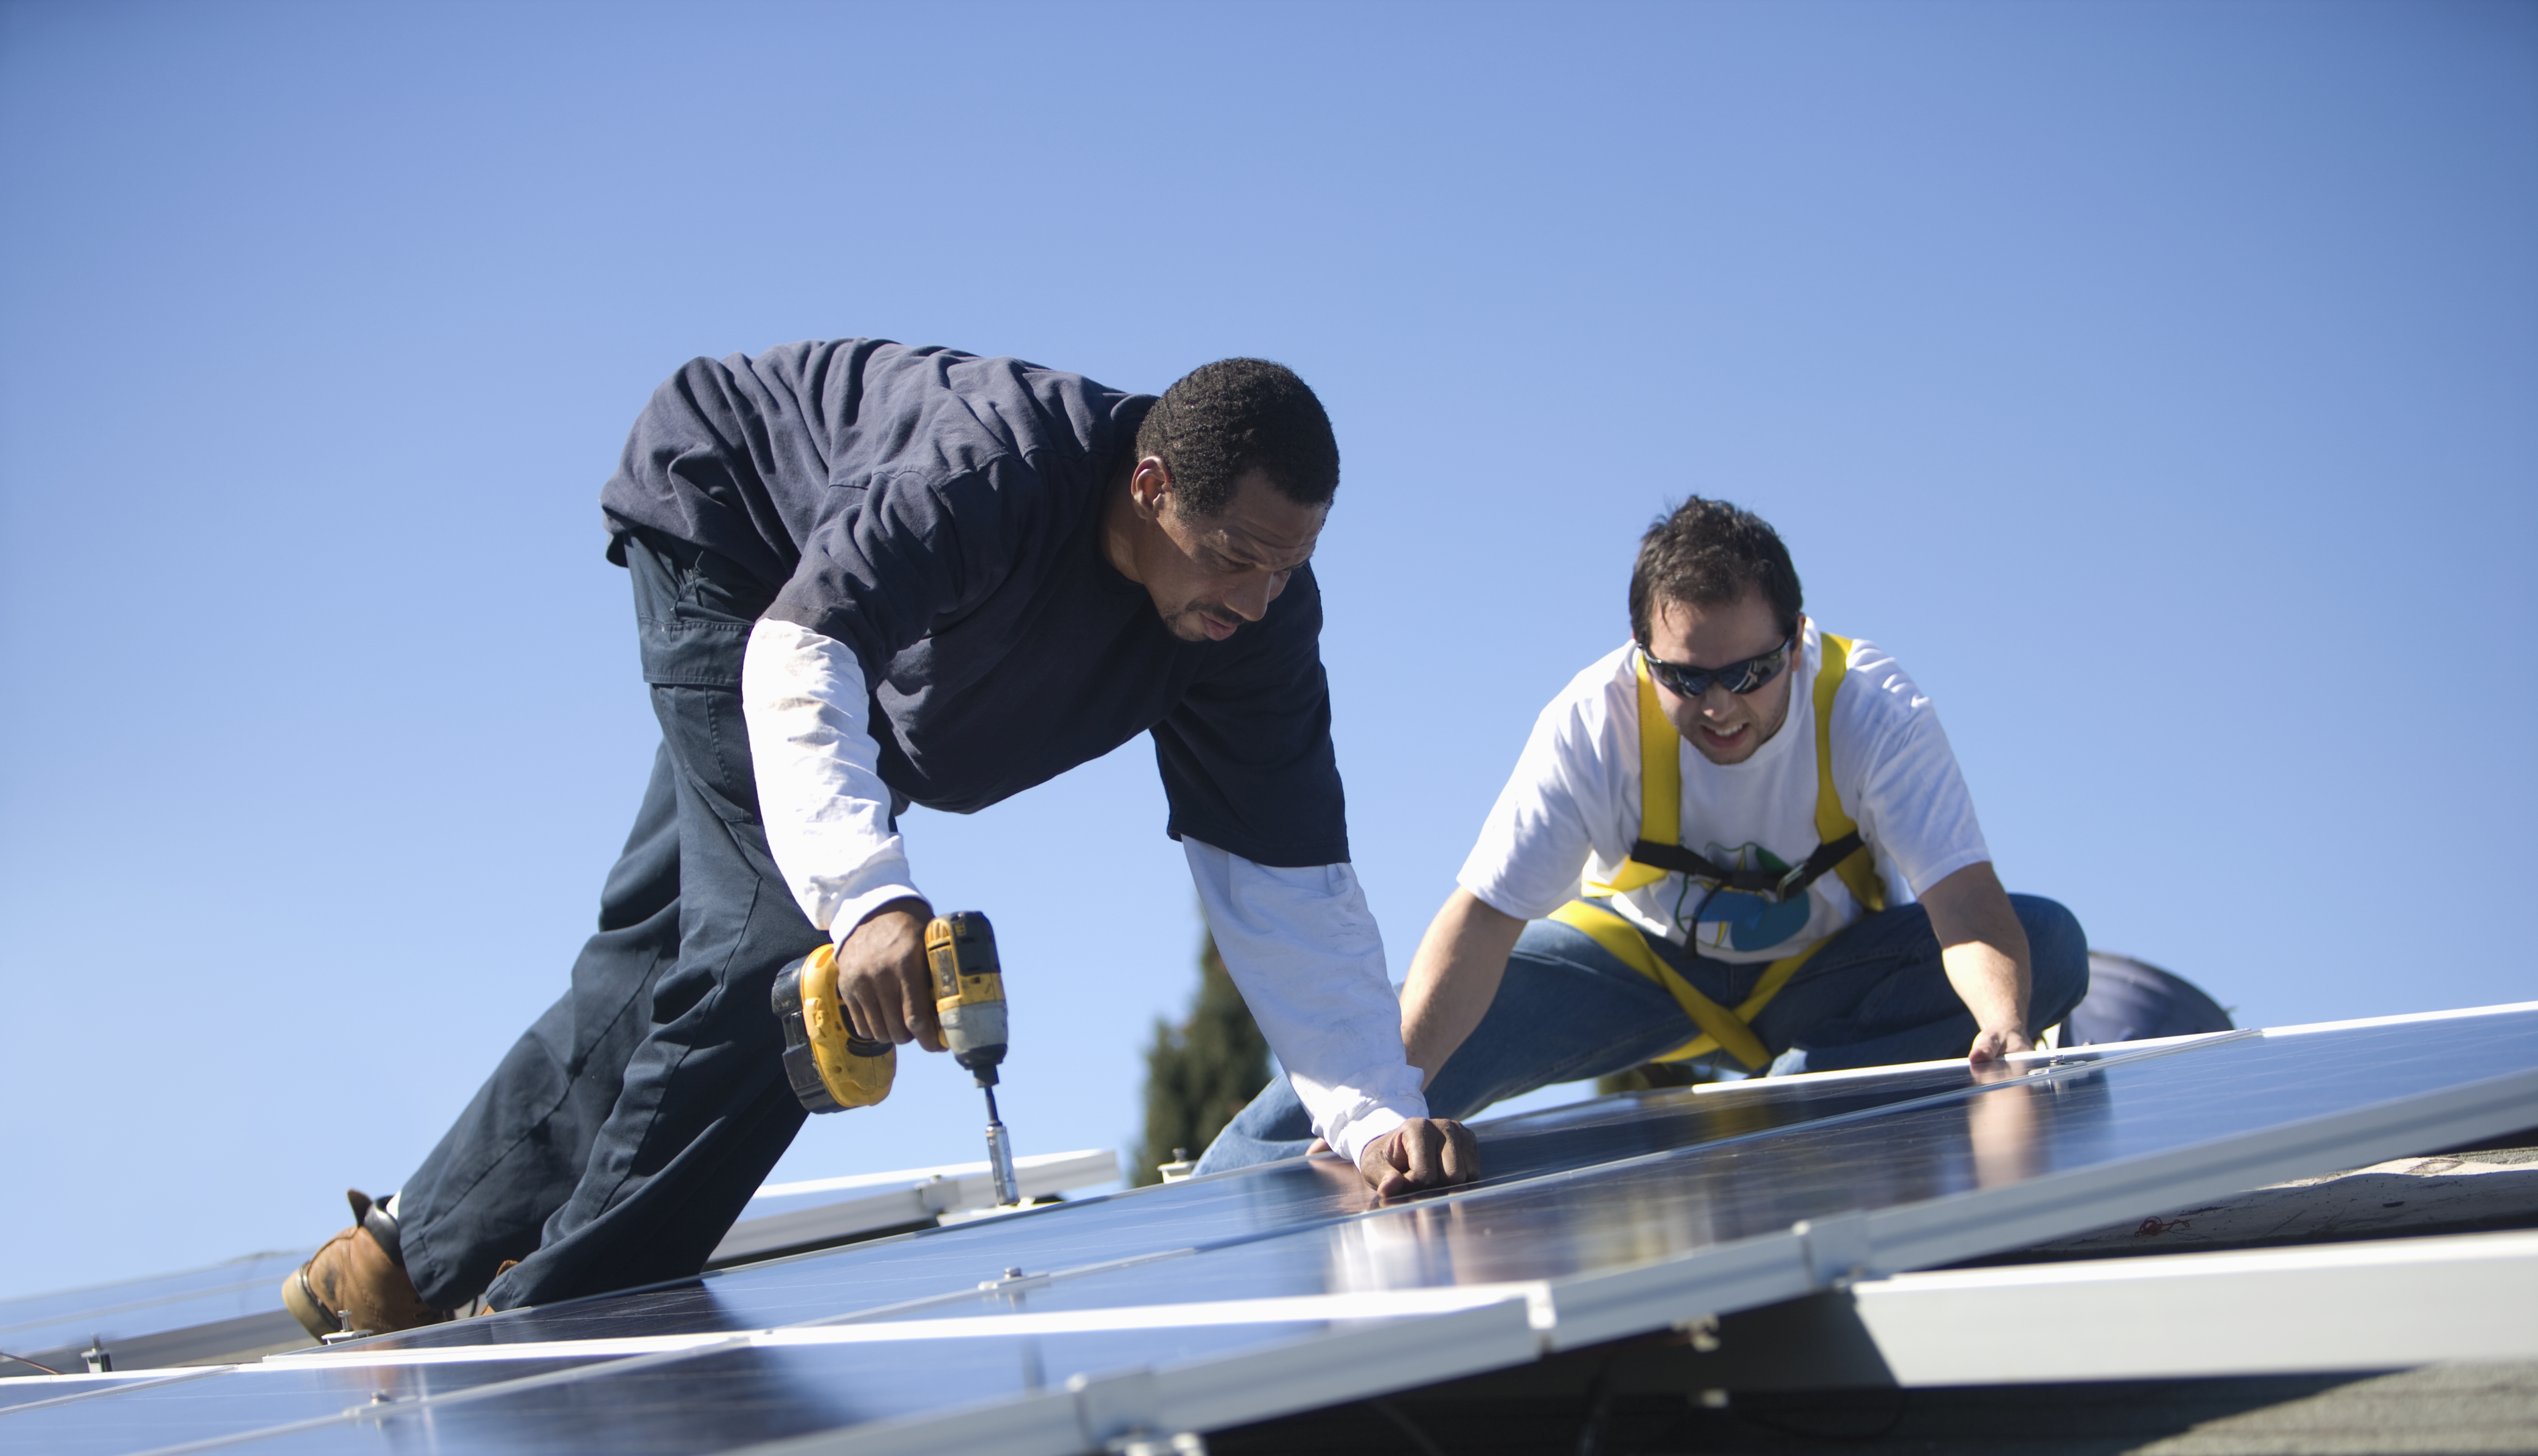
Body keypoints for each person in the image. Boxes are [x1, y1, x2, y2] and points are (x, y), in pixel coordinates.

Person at [283, 340, 1468, 1340]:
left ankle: (400, 1255)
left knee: (673, 946)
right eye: (1234, 557)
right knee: (780, 953)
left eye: (1289, 565)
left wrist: (1368, 1108)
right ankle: (549, 1336)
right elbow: (805, 649)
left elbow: (1285, 871)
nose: (1257, 600)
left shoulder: (1250, 624)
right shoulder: (988, 470)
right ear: (1151, 486)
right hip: (740, 545)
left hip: (868, 677)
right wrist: (864, 898)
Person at [1198, 495, 2087, 1174]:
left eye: (1752, 671)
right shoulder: (1593, 722)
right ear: (1639, 652)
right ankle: (1222, 1185)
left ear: (1799, 636)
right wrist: (1382, 1111)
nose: (1720, 706)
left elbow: (1967, 905)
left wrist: (2004, 1025)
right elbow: (1479, 926)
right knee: (1376, 1054)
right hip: (1639, 967)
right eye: (1686, 678)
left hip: (1825, 976)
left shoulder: (1874, 710)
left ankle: (1790, 1121)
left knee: (2044, 943)